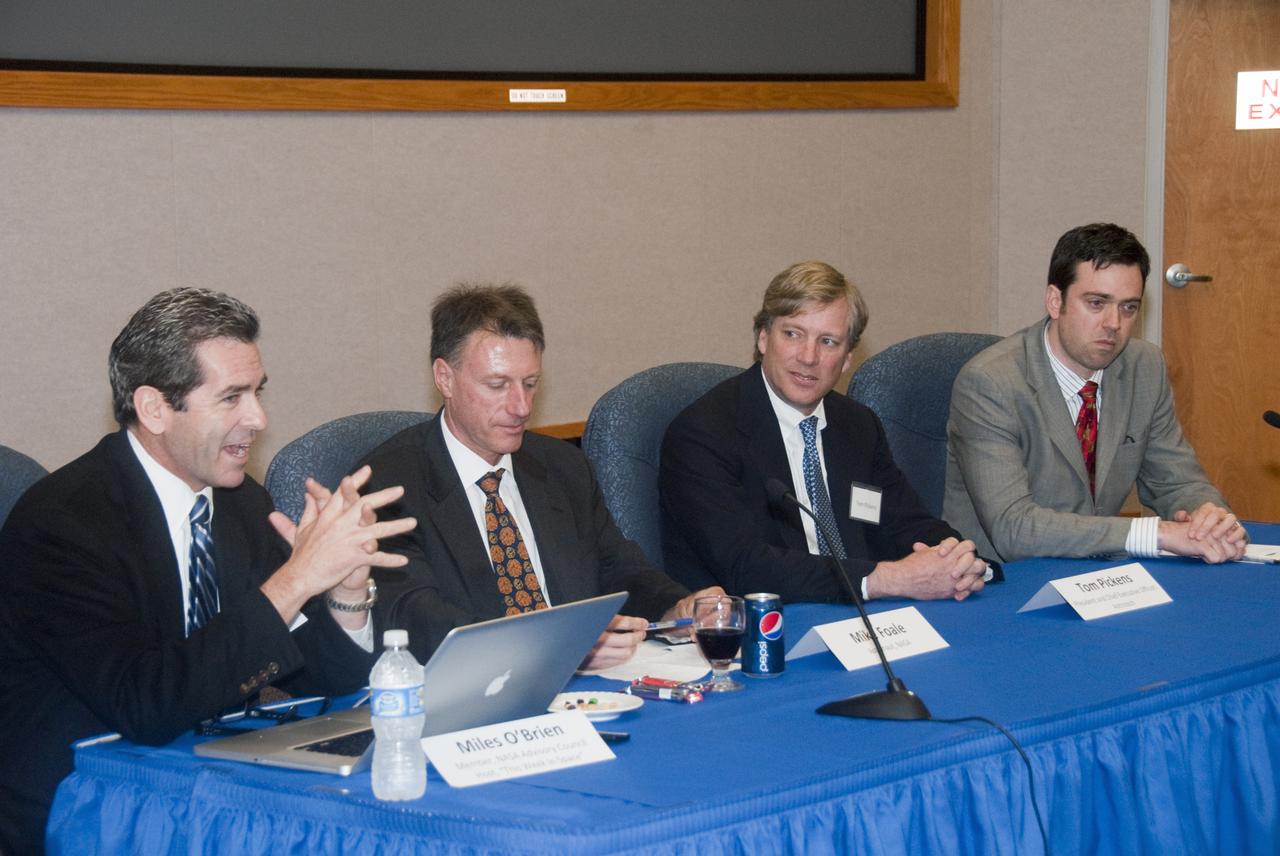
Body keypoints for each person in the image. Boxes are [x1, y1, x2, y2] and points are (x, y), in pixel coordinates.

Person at [0, 288, 416, 855]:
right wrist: (294, 580)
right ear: (154, 409)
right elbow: (148, 704)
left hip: (210, 777)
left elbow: (315, 680)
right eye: (231, 398)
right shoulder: (64, 524)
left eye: (258, 393)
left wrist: (343, 590)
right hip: (88, 802)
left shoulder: (241, 503)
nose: (259, 418)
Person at [360, 284, 720, 668]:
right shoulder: (388, 485)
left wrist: (675, 608)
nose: (521, 406)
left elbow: (617, 567)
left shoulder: (563, 466)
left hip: (587, 694)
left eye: (530, 384)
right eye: (498, 385)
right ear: (444, 377)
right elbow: (418, 620)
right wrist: (560, 648)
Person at [659, 261, 990, 604]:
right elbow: (746, 566)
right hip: (760, 628)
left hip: (856, 618)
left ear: (847, 358)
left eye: (828, 342)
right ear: (762, 338)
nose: (808, 357)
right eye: (792, 334)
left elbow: (903, 521)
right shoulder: (704, 433)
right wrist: (883, 580)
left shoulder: (858, 425)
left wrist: (957, 560)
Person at [943, 222, 1247, 563]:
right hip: (1002, 581)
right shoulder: (990, 383)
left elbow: (1176, 482)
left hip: (1101, 577)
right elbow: (1014, 529)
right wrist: (1155, 533)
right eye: (1097, 303)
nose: (1114, 323)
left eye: (1128, 307)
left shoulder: (1144, 367)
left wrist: (1211, 516)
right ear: (1055, 301)